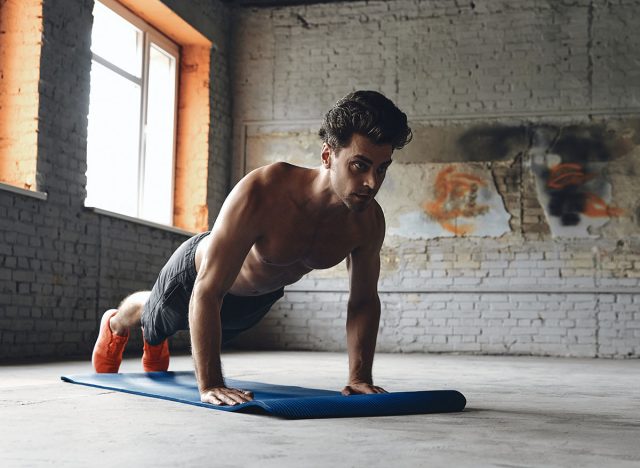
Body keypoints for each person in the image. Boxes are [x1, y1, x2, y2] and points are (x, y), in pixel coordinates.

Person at [92, 90, 412, 406]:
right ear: (328, 155)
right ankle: (117, 322)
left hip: (253, 303)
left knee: (175, 327)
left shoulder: (367, 221)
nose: (372, 182)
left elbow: (363, 302)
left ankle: (155, 335)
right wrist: (212, 384)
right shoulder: (264, 191)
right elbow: (207, 290)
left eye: (382, 169)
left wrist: (359, 378)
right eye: (360, 165)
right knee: (157, 317)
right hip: (196, 277)